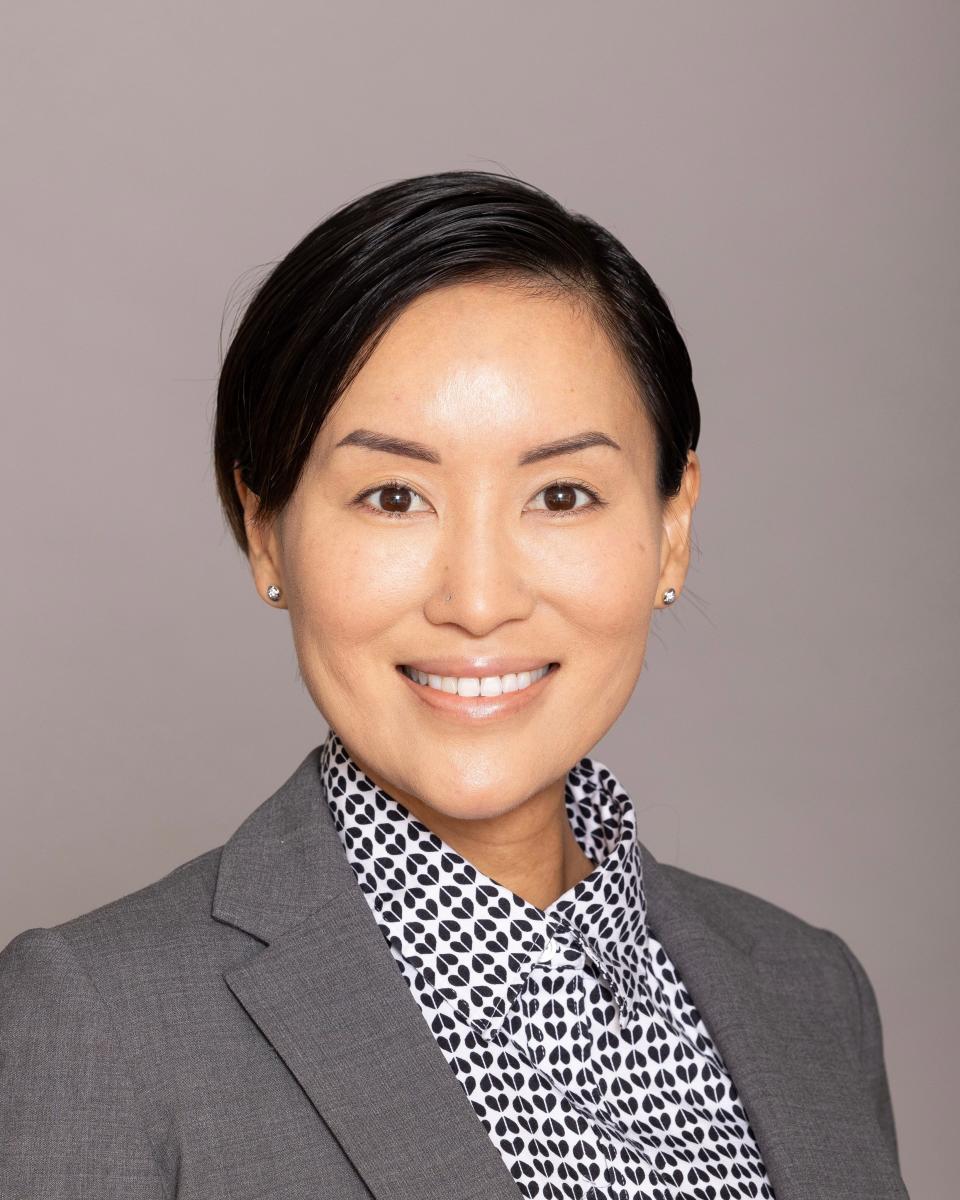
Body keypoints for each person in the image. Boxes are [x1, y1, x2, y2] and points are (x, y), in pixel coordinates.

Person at [0, 171, 909, 1200]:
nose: (479, 601)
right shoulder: (97, 1026)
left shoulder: (809, 992)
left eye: (562, 495)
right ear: (267, 531)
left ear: (672, 528)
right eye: (394, 497)